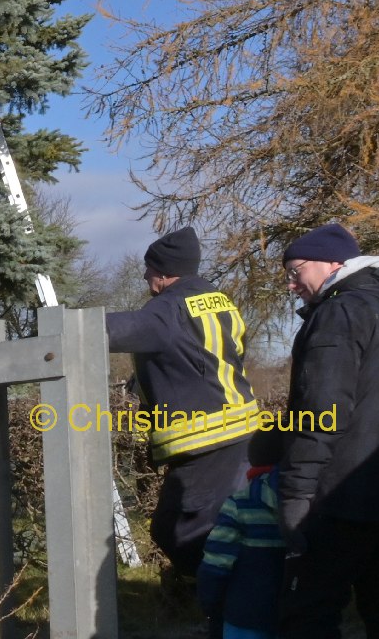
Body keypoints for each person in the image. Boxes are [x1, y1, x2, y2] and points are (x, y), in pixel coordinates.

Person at [277, 223, 379, 639]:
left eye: (296, 272)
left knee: (308, 613)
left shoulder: (339, 314)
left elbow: (321, 412)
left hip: (340, 499)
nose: (292, 284)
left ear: (333, 264)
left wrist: (297, 493)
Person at [106, 226, 262, 579]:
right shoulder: (219, 301)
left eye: (148, 269)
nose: (145, 275)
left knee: (179, 531)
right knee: (217, 526)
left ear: (163, 273)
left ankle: (239, 604)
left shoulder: (166, 310)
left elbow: (112, 330)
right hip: (238, 432)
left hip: (207, 439)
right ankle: (237, 605)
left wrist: (61, 323)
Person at [198, 430, 287, 639]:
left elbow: (216, 564)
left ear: (252, 461)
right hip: (296, 615)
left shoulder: (239, 504)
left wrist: (209, 604)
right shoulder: (310, 502)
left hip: (245, 617)